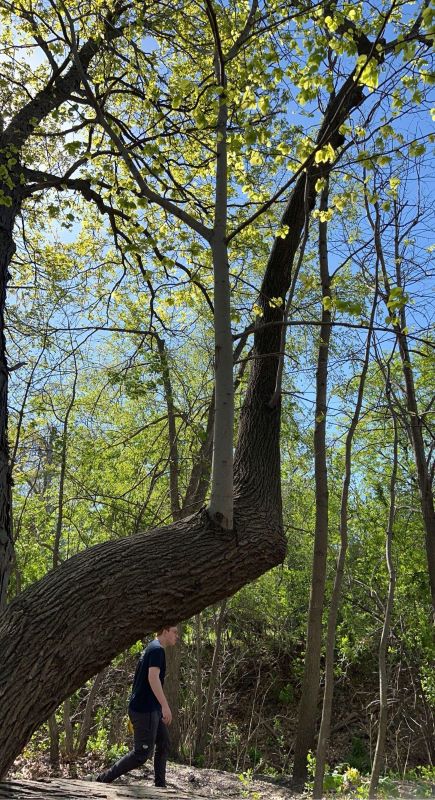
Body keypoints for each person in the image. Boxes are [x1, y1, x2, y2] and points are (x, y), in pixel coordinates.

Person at [92, 625, 179, 787]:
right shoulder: (156, 650)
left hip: (151, 708)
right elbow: (153, 678)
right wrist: (165, 706)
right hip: (144, 709)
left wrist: (160, 707)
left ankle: (160, 786)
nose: (177, 636)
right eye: (174, 632)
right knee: (141, 754)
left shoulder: (152, 648)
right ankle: (103, 779)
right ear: (165, 631)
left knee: (164, 742)